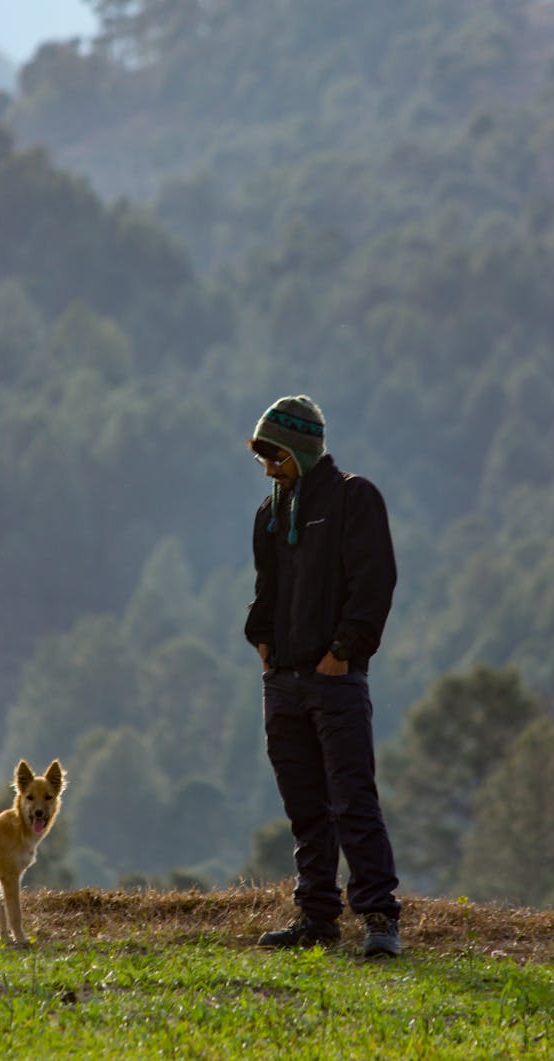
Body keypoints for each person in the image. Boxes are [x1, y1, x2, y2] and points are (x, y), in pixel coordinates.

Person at [245, 394, 401, 957]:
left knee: (352, 800)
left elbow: (374, 582)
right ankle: (316, 918)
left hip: (335, 681)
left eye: (276, 455)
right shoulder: (269, 513)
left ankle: (380, 918)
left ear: (303, 450)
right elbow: (266, 591)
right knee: (305, 806)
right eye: (263, 455)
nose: (268, 467)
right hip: (281, 683)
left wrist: (343, 653)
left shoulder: (354, 499)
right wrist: (262, 644)